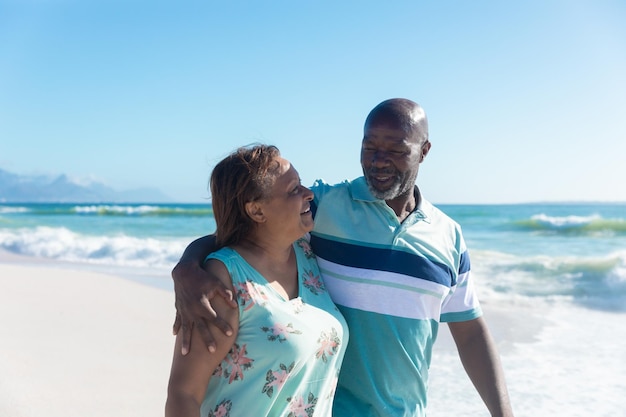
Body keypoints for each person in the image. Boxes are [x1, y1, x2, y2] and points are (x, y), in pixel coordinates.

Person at [171, 99, 514, 417]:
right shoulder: (324, 207)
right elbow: (248, 232)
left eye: (395, 150)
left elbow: (470, 333)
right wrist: (187, 267)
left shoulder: (448, 236)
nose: (379, 160)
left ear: (424, 151)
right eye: (369, 147)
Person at [165, 144, 349, 417]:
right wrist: (188, 267)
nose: (308, 194)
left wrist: (186, 264)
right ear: (257, 211)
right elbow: (184, 394)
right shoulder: (220, 281)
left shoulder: (308, 254)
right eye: (293, 189)